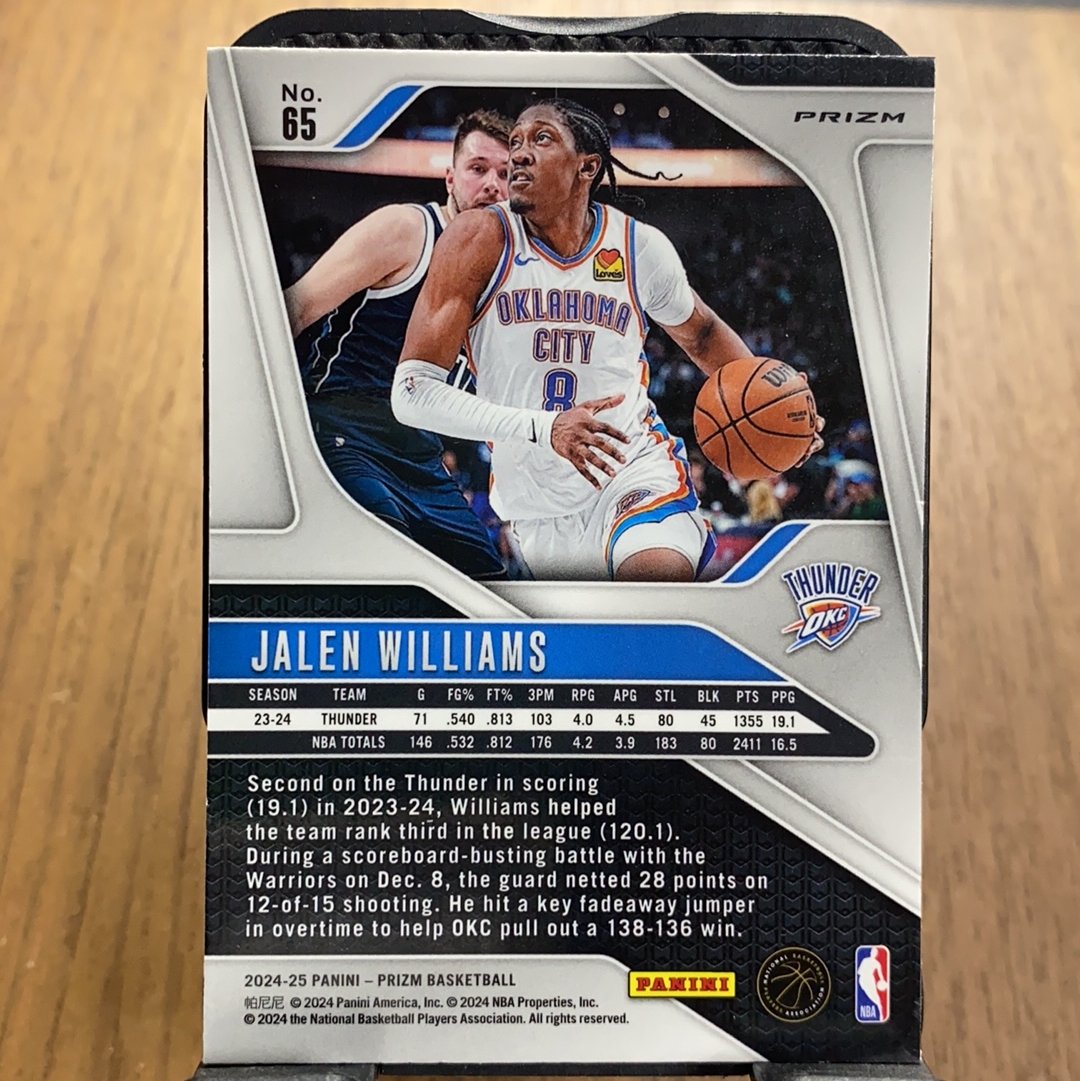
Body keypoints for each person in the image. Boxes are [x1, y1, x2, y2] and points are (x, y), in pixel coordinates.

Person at [393, 98, 823, 581]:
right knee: (601, 628)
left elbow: (702, 332)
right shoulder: (476, 240)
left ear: (587, 167)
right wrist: (545, 427)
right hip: (536, 506)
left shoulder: (639, 246)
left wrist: (772, 408)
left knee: (651, 584)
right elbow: (412, 393)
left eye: (541, 139)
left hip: (635, 473)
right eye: (515, 142)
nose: (519, 153)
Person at [283, 110, 513, 579]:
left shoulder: (505, 277)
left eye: (506, 174)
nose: (492, 184)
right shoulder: (406, 230)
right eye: (478, 168)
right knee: (387, 564)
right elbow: (295, 308)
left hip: (422, 459)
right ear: (450, 179)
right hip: (345, 435)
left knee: (490, 587)